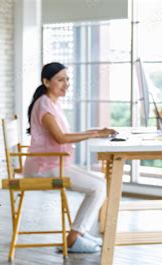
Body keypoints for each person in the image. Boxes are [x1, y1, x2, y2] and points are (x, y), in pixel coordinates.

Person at [23, 62, 116, 253]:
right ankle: (74, 238)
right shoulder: (45, 106)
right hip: (44, 167)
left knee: (99, 184)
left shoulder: (51, 103)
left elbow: (64, 135)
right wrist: (95, 134)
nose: (66, 84)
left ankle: (79, 234)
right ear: (46, 82)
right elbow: (61, 137)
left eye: (67, 79)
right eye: (60, 80)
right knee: (99, 186)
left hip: (51, 162)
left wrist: (97, 131)